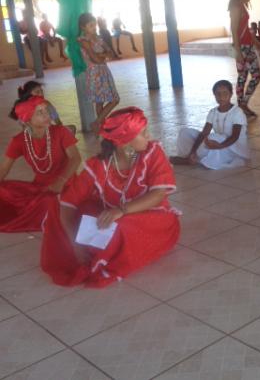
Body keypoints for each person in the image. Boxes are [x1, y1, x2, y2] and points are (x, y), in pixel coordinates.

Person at [40, 107, 180, 287]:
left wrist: (121, 210)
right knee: (59, 207)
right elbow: (68, 204)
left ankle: (104, 253)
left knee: (120, 226)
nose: (148, 136)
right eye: (143, 133)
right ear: (124, 142)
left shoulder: (153, 152)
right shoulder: (98, 165)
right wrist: (74, 243)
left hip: (153, 218)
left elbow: (158, 195)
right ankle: (94, 248)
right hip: (115, 217)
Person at [0, 96, 81, 233]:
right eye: (40, 112)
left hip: (67, 183)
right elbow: (3, 169)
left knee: (49, 203)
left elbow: (75, 159)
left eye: (46, 110)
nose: (47, 115)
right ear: (27, 119)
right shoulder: (19, 141)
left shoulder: (60, 132)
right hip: (40, 187)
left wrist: (60, 181)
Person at [170, 80, 249, 170]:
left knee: (214, 137)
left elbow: (235, 137)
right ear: (214, 95)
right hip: (218, 145)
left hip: (234, 148)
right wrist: (193, 151)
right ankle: (190, 157)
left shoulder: (237, 112)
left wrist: (219, 146)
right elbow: (204, 133)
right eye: (218, 94)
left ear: (231, 94)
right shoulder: (213, 112)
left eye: (225, 93)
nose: (221, 96)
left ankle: (193, 160)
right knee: (185, 132)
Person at [78, 12, 120, 134]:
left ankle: (101, 125)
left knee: (100, 101)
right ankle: (98, 123)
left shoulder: (98, 38)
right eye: (90, 25)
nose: (94, 27)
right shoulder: (83, 41)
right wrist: (103, 55)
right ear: (83, 27)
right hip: (94, 74)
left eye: (94, 24)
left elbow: (111, 53)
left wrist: (101, 55)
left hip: (103, 71)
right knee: (112, 100)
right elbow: (94, 59)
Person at [229, 0, 260, 118]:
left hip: (245, 46)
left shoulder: (241, 7)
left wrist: (255, 41)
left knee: (242, 77)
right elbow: (234, 30)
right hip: (242, 48)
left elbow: (244, 29)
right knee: (256, 76)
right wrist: (238, 53)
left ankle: (242, 105)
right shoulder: (236, 8)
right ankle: (243, 104)